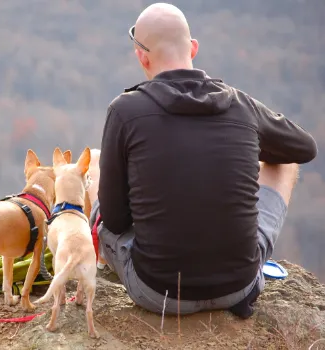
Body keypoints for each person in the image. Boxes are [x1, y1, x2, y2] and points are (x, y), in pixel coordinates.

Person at [90, 3, 318, 318]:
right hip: (238, 286)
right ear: (193, 48)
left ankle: (101, 267)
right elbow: (303, 149)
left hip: (158, 292)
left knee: (95, 163)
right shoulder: (240, 105)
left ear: (142, 56)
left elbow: (114, 221)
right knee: (285, 161)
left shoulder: (125, 111)